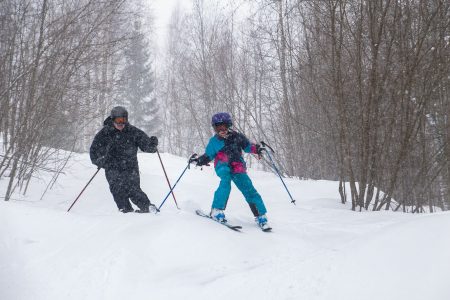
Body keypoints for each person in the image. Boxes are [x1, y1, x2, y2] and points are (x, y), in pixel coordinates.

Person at [191, 112, 270, 229]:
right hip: (222, 165)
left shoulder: (237, 137)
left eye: (224, 126)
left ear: (229, 125)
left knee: (248, 188)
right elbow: (208, 155)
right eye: (218, 127)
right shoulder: (214, 141)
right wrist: (199, 160)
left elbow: (248, 146)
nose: (221, 129)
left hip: (238, 166)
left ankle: (260, 216)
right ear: (214, 128)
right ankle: (216, 210)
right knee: (225, 182)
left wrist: (257, 149)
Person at [90, 106, 158, 213]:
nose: (121, 123)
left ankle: (147, 207)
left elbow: (146, 146)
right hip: (112, 167)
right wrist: (102, 161)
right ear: (112, 119)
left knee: (133, 189)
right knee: (117, 189)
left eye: (124, 120)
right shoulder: (105, 133)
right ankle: (125, 211)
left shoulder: (132, 132)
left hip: (130, 167)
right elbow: (94, 153)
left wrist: (152, 145)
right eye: (118, 120)